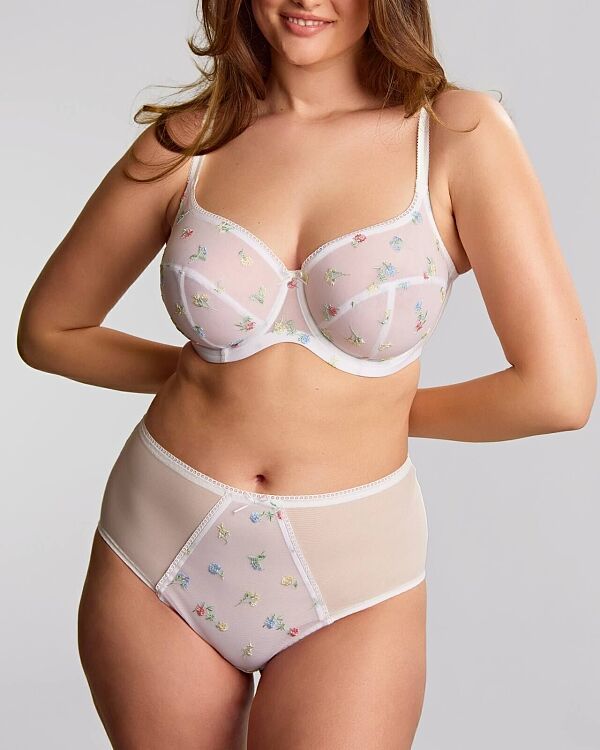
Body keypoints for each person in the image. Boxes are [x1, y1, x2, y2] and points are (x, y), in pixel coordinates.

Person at [16, 1, 596, 748]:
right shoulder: (191, 139)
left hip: (351, 572)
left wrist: (382, 408)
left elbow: (558, 392)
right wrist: (208, 377)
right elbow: (51, 330)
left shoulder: (456, 133)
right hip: (160, 542)